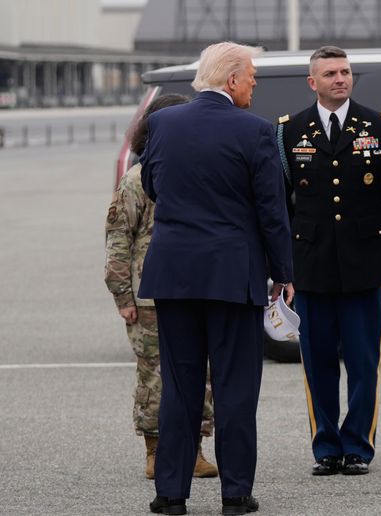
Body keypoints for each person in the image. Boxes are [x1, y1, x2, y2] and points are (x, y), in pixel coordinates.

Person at [139, 41, 293, 516]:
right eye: (250, 77)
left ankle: (171, 495)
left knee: (180, 387)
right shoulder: (255, 131)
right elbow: (272, 210)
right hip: (232, 275)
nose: (253, 84)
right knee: (235, 389)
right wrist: (283, 273)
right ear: (230, 80)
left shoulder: (162, 122)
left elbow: (151, 185)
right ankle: (235, 494)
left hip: (174, 274)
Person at [277, 45, 381, 477]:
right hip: (310, 266)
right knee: (317, 364)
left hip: (364, 263)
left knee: (362, 362)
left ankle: (357, 446)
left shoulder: (379, 126)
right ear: (312, 82)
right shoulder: (289, 131)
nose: (340, 79)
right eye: (331, 73)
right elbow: (280, 202)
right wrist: (281, 266)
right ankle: (325, 447)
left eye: (346, 72)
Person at [104, 93, 218, 481]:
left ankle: (194, 450)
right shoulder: (137, 179)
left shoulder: (196, 171)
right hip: (149, 296)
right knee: (154, 376)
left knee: (199, 374)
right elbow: (118, 237)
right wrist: (123, 295)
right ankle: (155, 451)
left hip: (194, 289)